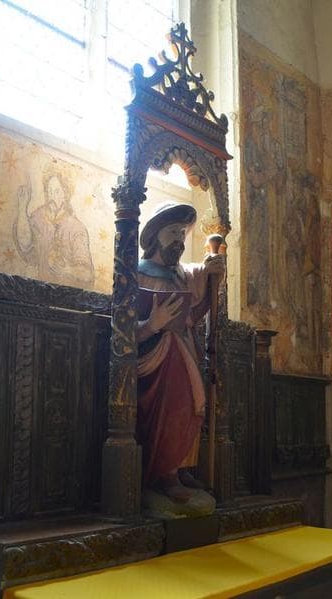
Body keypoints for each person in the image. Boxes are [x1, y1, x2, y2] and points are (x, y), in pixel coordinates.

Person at [135, 203, 225, 502]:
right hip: (154, 355)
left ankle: (182, 464)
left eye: (183, 233)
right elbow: (122, 328)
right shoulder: (135, 274)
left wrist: (214, 272)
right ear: (155, 235)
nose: (179, 240)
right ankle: (165, 472)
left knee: (194, 405)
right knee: (174, 404)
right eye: (173, 232)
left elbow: (197, 306)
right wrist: (153, 324)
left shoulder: (183, 275)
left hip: (184, 349)